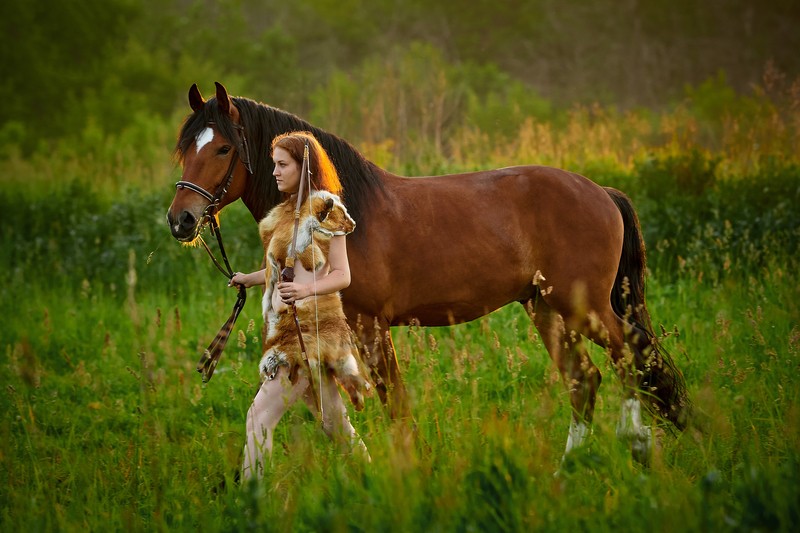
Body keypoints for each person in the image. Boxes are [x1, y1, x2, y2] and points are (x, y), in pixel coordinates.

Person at [230, 131, 370, 480]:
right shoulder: (283, 213)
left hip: (311, 332)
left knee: (259, 416)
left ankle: (251, 501)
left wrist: (307, 292)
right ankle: (373, 483)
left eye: (282, 164)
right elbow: (285, 268)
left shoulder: (326, 210)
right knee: (334, 424)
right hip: (288, 328)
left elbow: (341, 275)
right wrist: (250, 278)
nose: (275, 172)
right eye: (273, 164)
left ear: (304, 168)